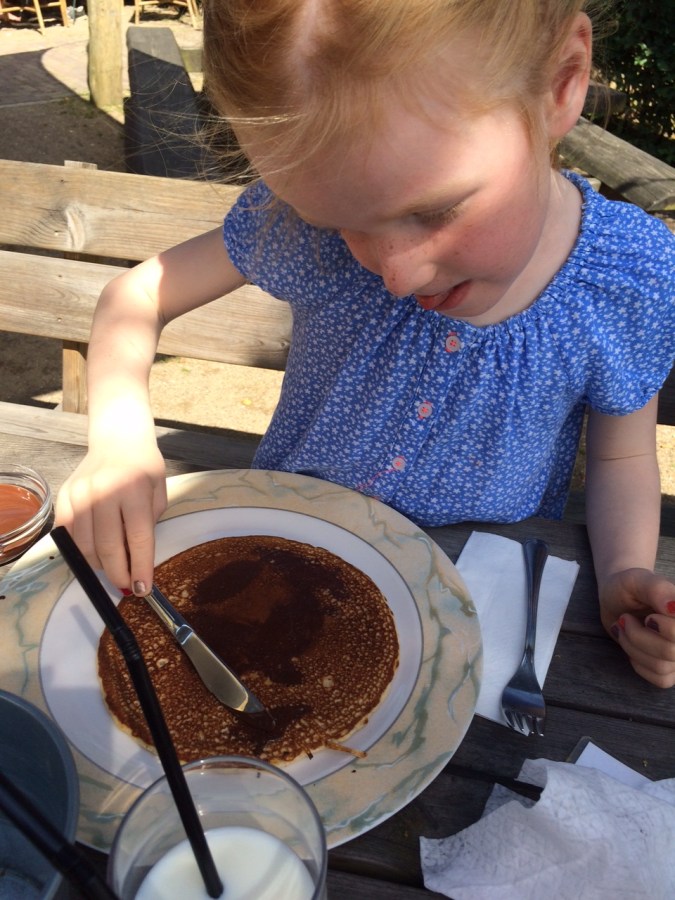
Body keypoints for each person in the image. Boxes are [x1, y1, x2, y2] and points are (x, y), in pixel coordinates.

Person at [56, 0, 675, 687]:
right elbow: (136, 297)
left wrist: (623, 573)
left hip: (480, 603)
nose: (396, 274)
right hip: (284, 566)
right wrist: (117, 439)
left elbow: (622, 455)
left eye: (434, 210)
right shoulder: (303, 229)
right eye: (335, 224)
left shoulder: (628, 274)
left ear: (561, 83)